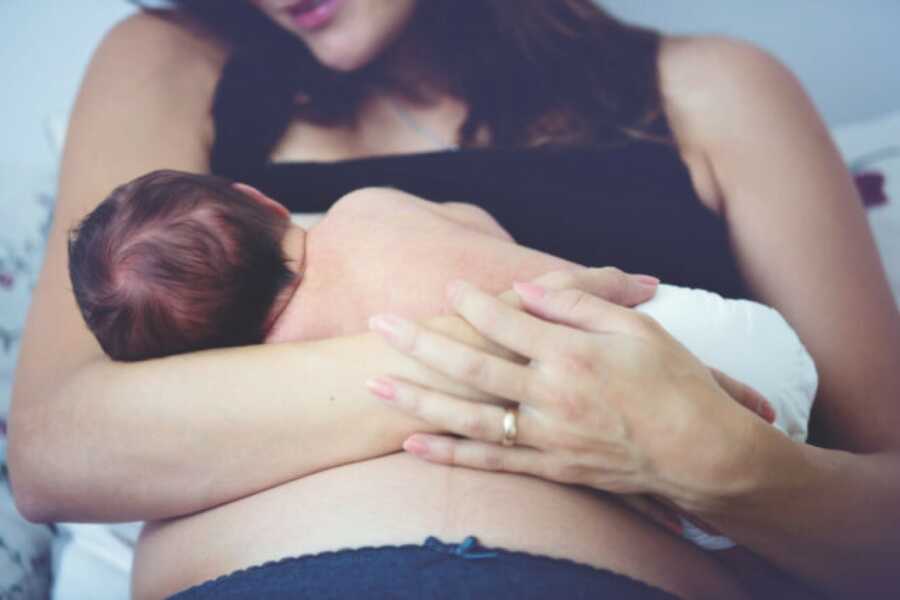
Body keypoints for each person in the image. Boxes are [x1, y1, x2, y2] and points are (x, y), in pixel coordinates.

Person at [8, 0, 898, 598]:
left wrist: (729, 468)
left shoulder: (715, 88)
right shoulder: (172, 63)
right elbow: (60, 448)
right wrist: (532, 373)